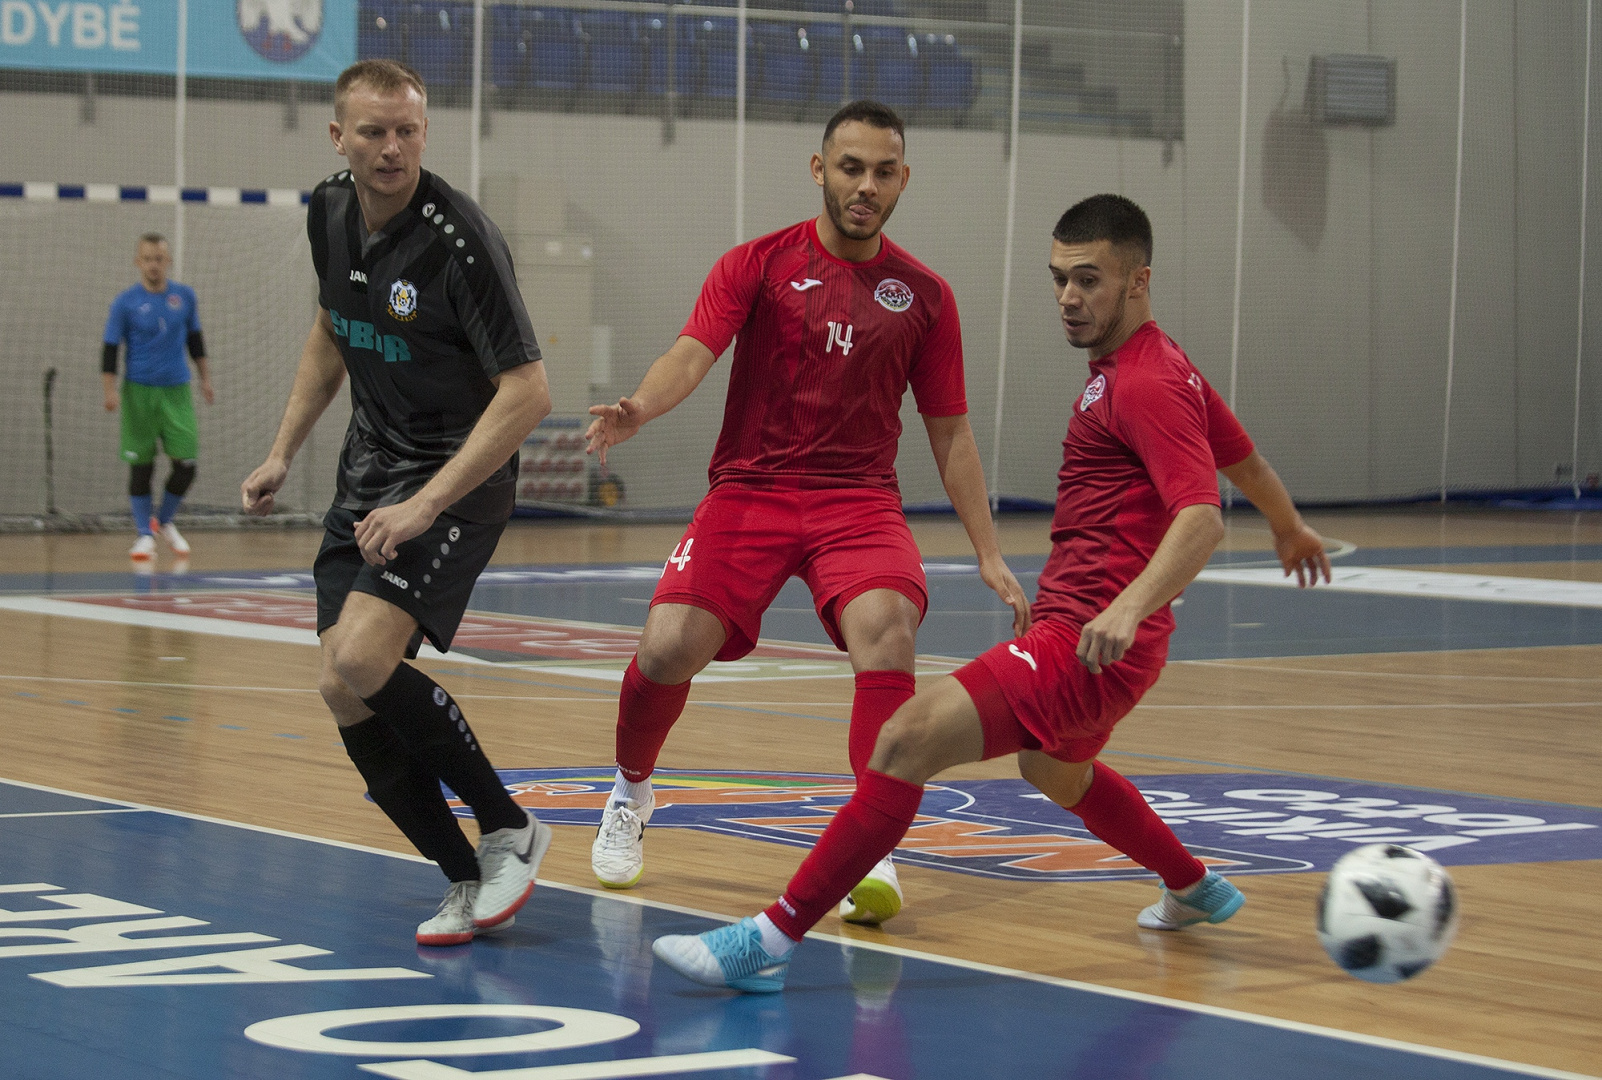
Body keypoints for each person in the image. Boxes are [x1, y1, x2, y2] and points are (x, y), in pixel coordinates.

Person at [651, 193, 1333, 992]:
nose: (1069, 298)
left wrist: (1126, 607)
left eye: (1089, 280)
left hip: (1086, 644)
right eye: (1059, 279)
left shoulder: (1146, 383)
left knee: (902, 741)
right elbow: (1241, 457)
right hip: (1105, 643)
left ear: (1139, 281)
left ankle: (767, 941)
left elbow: (1202, 517)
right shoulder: (1159, 364)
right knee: (1055, 772)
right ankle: (1193, 886)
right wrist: (1289, 525)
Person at [583, 100, 1029, 926]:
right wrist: (642, 405)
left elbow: (952, 431)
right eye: (851, 168)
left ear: (903, 179)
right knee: (668, 647)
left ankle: (871, 839)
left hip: (857, 501)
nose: (866, 186)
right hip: (750, 489)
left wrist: (988, 551)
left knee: (889, 631)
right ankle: (630, 792)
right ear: (819, 169)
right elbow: (693, 352)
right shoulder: (755, 265)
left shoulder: (925, 296)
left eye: (883, 172)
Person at [241, 59, 554, 948]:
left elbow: (529, 391)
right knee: (340, 687)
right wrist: (282, 450)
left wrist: (423, 507)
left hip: (458, 476)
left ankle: (511, 827)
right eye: (373, 131)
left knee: (364, 657)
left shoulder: (461, 242)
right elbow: (331, 328)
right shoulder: (328, 210)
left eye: (407, 130)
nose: (392, 147)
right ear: (338, 136)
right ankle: (461, 876)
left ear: (425, 132)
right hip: (370, 472)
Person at [102, 233, 213, 561]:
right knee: (141, 467)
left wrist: (206, 379)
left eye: (159, 259)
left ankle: (162, 521)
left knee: (186, 465)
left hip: (177, 391)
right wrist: (109, 390)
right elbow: (110, 349)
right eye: (148, 259)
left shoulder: (184, 297)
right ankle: (143, 535)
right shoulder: (125, 303)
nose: (154, 265)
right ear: (138, 262)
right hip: (139, 392)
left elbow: (196, 340)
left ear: (168, 261)